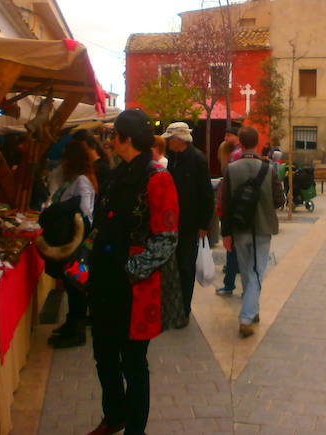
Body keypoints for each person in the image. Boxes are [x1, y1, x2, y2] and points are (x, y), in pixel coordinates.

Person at [87, 109, 180, 435]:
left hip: (134, 289)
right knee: (104, 356)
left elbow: (167, 238)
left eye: (113, 135)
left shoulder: (158, 178)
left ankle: (135, 430)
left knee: (134, 364)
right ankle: (114, 415)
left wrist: (129, 271)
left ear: (126, 139)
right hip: (103, 282)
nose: (109, 141)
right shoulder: (115, 175)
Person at [220, 126, 286, 338]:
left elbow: (226, 203)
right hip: (262, 227)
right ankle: (246, 317)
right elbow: (279, 201)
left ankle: (253, 310)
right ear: (257, 143)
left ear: (240, 142)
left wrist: (226, 233)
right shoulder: (269, 169)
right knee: (257, 271)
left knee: (248, 270)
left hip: (239, 228)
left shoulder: (232, 168)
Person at [41, 141, 97, 348]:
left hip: (76, 242)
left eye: (65, 157)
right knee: (72, 285)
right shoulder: (74, 179)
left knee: (76, 287)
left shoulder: (81, 180)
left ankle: (76, 330)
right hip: (72, 241)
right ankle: (72, 324)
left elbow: (84, 212)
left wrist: (60, 210)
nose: (62, 161)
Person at [162, 122, 214, 328]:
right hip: (172, 223)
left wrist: (203, 224)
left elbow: (206, 195)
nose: (167, 142)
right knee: (172, 266)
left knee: (185, 267)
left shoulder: (197, 160)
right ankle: (171, 305)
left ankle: (184, 309)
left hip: (190, 225)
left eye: (169, 139)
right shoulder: (173, 159)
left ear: (179, 140)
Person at [215, 127, 242, 297]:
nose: (225, 137)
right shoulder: (233, 153)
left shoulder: (235, 156)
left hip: (233, 208)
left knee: (232, 247)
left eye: (229, 135)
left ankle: (229, 284)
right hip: (239, 208)